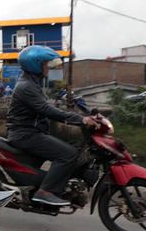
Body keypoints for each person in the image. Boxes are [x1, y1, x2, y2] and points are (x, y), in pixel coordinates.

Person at [6, 45, 96, 207]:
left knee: (72, 146)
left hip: (32, 132)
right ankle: (45, 192)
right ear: (36, 64)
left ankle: (51, 186)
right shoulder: (27, 86)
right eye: (46, 64)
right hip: (26, 134)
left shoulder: (32, 83)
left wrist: (82, 111)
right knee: (68, 154)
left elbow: (46, 106)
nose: (48, 68)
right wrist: (79, 119)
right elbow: (46, 110)